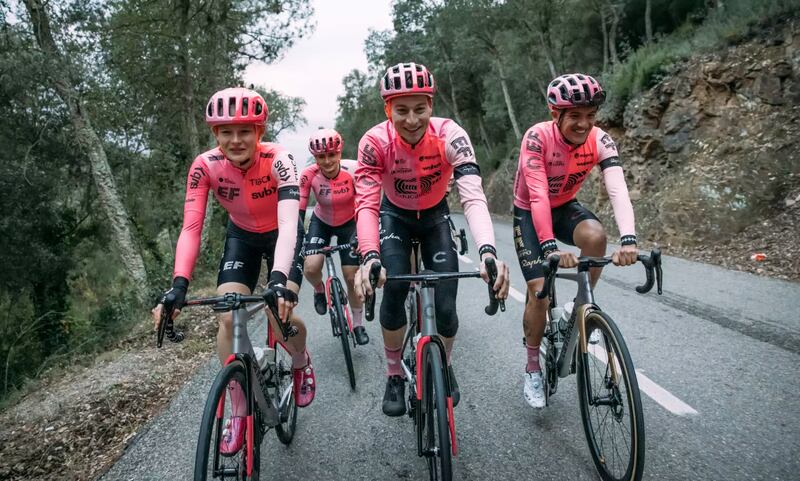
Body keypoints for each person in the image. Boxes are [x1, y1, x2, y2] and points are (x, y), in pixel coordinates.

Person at [151, 87, 316, 456]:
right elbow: (191, 227)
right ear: (216, 135)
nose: (236, 139)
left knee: (279, 314)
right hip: (241, 235)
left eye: (245, 131)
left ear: (260, 132)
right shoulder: (205, 165)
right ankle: (238, 408)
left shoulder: (279, 159)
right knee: (229, 317)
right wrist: (179, 284)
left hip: (281, 233)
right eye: (226, 132)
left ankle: (301, 361)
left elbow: (290, 223)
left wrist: (278, 280)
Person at [352, 62, 510, 417]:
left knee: (446, 308)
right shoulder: (375, 141)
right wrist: (369, 255)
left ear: (431, 106)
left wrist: (488, 251)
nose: (411, 119)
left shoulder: (451, 134)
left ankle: (445, 362)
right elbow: (365, 204)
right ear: (387, 110)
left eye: (419, 109)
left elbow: (472, 196)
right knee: (392, 288)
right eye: (401, 110)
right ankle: (394, 373)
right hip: (395, 216)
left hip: (436, 216)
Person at [512, 73, 638, 408]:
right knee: (540, 293)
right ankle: (533, 368)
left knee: (597, 236)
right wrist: (551, 247)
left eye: (591, 116)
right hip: (530, 212)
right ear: (556, 115)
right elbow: (537, 195)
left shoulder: (600, 140)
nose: (584, 124)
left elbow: (617, 187)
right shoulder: (537, 138)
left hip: (564, 206)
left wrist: (629, 239)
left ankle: (578, 305)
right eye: (575, 117)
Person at [299, 127, 368, 345]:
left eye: (331, 155)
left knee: (351, 276)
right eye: (321, 156)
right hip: (322, 222)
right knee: (310, 267)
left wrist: (364, 234)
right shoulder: (309, 175)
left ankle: (357, 324)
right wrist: (299, 237)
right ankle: (320, 290)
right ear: (315, 157)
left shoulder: (354, 169)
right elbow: (300, 210)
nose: (327, 161)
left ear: (339, 152)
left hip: (350, 222)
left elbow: (367, 204)